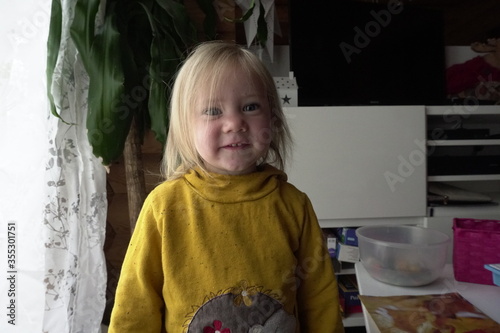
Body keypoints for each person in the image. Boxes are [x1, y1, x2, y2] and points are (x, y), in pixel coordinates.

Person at [108, 41, 344, 333]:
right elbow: (135, 307)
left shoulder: (294, 205)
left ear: (273, 118)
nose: (234, 122)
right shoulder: (163, 206)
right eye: (212, 111)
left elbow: (319, 302)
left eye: (250, 106)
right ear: (186, 125)